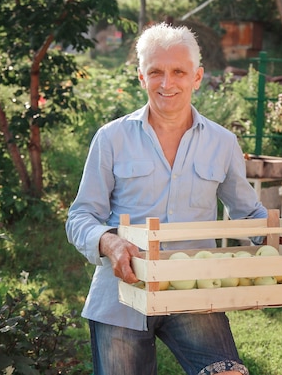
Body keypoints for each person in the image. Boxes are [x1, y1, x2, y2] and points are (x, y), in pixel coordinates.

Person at [66, 22, 267, 375]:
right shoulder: (111, 138)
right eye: (155, 72)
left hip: (195, 293)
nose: (166, 83)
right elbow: (80, 216)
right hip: (121, 295)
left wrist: (281, 242)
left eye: (178, 72)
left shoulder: (222, 143)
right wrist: (109, 243)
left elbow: (248, 212)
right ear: (141, 77)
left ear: (197, 77)